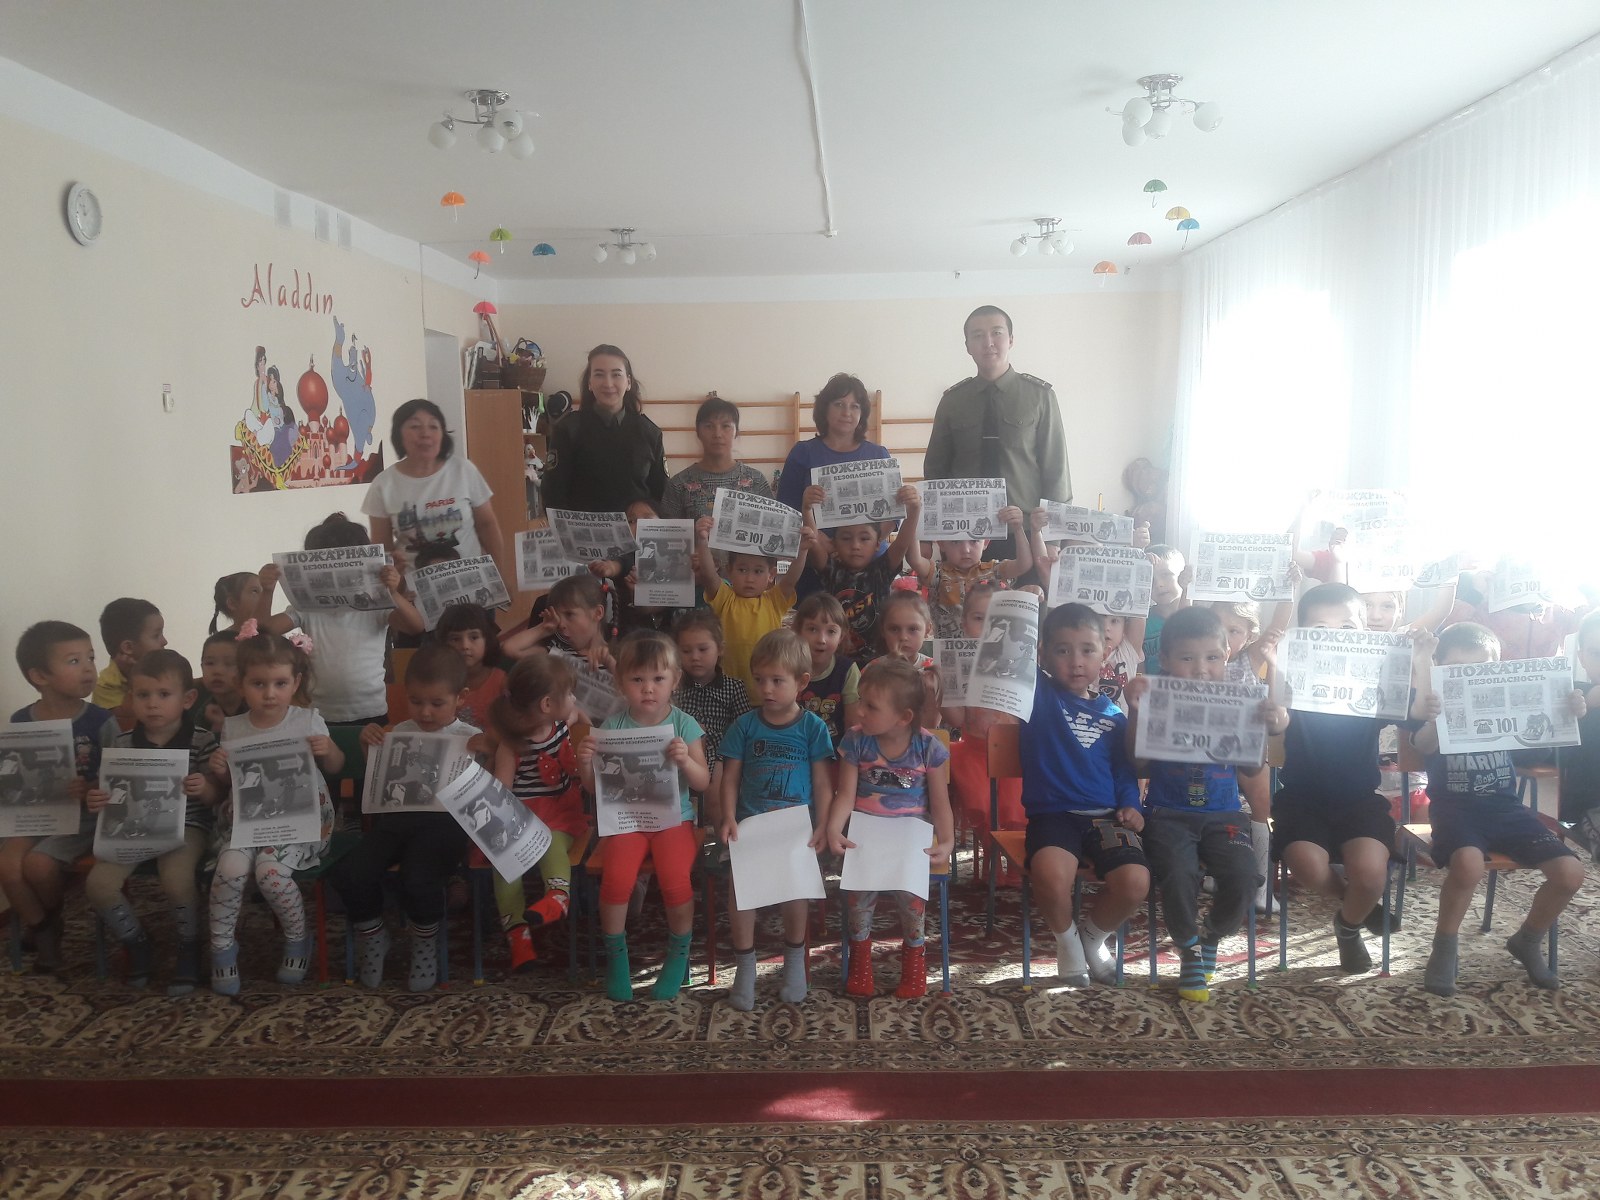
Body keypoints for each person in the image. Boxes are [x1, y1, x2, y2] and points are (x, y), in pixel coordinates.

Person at [1410, 623, 1586, 995]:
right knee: (1468, 863)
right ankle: (1444, 945)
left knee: (1570, 872)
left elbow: (1539, 745)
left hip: (1505, 809)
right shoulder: (1429, 706)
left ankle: (1527, 940)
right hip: (1454, 809)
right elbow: (1423, 745)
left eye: (1479, 669)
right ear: (1440, 668)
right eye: (1456, 669)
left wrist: (1567, 712)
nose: (1468, 677)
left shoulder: (1505, 702)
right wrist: (1436, 715)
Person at [1122, 608, 1288, 1003]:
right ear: (1165, 659)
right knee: (1178, 874)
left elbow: (1251, 768)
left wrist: (1262, 729)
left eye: (1212, 657)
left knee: (1246, 876)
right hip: (1167, 814)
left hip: (1224, 814)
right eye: (1187, 658)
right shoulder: (1155, 698)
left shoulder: (1240, 701)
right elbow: (1138, 764)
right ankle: (1189, 948)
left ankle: (1212, 934)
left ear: (1227, 655)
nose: (1201, 669)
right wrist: (1136, 711)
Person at [1273, 583, 1431, 976]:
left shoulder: (1374, 686)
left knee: (1372, 875)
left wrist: (1422, 661)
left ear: (1364, 633)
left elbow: (1417, 715)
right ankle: (1359, 906)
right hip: (1301, 800)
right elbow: (1275, 722)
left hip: (1359, 800)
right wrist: (1276, 664)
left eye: (1346, 628)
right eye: (1320, 630)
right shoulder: (1292, 683)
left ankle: (1348, 925)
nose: (1335, 638)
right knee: (1307, 865)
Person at [1018, 602, 1149, 987]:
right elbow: (1013, 651)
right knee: (1049, 874)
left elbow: (1124, 770)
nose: (1076, 661)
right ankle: (1068, 943)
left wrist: (1131, 804)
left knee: (1135, 882)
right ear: (1043, 654)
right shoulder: (1038, 697)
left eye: (1087, 650)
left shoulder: (1115, 715)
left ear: (1105, 653)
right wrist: (1028, 602)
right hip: (1054, 816)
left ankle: (1092, 938)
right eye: (1063, 650)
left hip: (1108, 816)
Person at [578, 631, 710, 1002]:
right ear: (621, 683)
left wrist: (686, 761)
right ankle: (616, 956)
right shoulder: (613, 727)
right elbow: (594, 789)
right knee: (617, 879)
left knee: (675, 879)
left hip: (674, 820)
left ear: (675, 680)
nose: (648, 688)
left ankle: (678, 953)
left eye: (658, 678)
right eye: (637, 679)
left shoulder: (684, 724)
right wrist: (585, 763)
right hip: (627, 820)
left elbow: (703, 781)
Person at [337, 646, 478, 991]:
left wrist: (487, 752)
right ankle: (373, 934)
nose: (425, 712)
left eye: (436, 703)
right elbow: (381, 779)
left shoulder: (470, 738)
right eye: (416, 701)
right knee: (351, 871)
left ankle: (424, 942)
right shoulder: (400, 730)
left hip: (444, 827)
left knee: (418, 878)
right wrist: (368, 746)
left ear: (460, 698)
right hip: (396, 821)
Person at [207, 632, 340, 995]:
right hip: (248, 821)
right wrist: (219, 769)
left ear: (295, 682)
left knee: (270, 873)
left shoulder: (307, 720)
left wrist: (328, 750)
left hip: (299, 823)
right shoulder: (234, 727)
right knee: (230, 869)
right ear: (241, 684)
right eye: (258, 684)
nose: (269, 693)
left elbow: (336, 766)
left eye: (280, 683)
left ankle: (298, 939)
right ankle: (222, 948)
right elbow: (230, 783)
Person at [85, 650, 221, 994]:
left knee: (176, 877)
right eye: (143, 695)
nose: (152, 704)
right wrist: (97, 799)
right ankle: (137, 942)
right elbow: (109, 792)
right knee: (98, 884)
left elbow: (216, 797)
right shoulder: (121, 743)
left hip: (187, 826)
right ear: (131, 698)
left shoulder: (201, 740)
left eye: (163, 694)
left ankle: (189, 944)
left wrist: (204, 787)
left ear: (187, 699)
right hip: (131, 828)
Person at [717, 630, 833, 1011]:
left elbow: (822, 781)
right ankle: (745, 966)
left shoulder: (812, 728)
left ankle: (795, 962)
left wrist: (823, 824)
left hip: (796, 831)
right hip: (750, 828)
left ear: (801, 682)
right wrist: (728, 816)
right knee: (740, 892)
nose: (766, 688)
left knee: (795, 892)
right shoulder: (745, 726)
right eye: (760, 679)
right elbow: (730, 778)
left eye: (777, 680)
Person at [826, 658, 954, 999]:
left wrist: (947, 841)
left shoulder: (928, 747)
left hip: (910, 838)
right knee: (858, 901)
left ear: (903, 717)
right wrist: (835, 828)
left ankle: (914, 961)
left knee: (912, 902)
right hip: (866, 836)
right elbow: (845, 795)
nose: (859, 711)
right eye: (861, 701)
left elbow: (940, 803)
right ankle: (860, 961)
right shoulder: (856, 741)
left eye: (871, 706)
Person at [1, 622, 115, 972]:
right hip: (36, 814)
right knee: (8, 866)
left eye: (90, 658)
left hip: (83, 817)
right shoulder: (22, 720)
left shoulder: (100, 721)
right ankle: (44, 926)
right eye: (73, 661)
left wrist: (91, 786)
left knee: (37, 865)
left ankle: (48, 922)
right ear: (40, 676)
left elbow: (117, 779)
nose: (88, 669)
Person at [924, 306, 1071, 558]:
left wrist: (1053, 538)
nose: (988, 342)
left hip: (1025, 532)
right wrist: (928, 535)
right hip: (965, 537)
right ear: (968, 346)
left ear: (1011, 339)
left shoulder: (1040, 397)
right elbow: (935, 472)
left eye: (996, 333)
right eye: (978, 335)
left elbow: (1056, 470)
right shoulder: (953, 401)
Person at [256, 513, 425, 726]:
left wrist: (393, 593)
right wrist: (267, 591)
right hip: (320, 713)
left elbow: (415, 626)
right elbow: (262, 631)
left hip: (371, 710)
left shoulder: (375, 604)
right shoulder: (307, 608)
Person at [489, 654, 585, 973]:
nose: (574, 699)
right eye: (569, 694)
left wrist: (583, 720)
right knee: (505, 863)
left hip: (560, 812)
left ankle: (558, 897)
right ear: (546, 704)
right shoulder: (511, 744)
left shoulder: (561, 724)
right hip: (521, 816)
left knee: (551, 843)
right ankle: (518, 934)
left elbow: (579, 716)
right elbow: (502, 791)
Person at [362, 398, 508, 582]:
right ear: (399, 434)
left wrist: (500, 577)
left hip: (472, 585)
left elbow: (487, 525)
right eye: (415, 427)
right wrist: (396, 587)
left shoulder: (463, 470)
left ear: (442, 434)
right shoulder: (383, 484)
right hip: (415, 590)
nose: (425, 434)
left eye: (433, 426)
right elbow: (382, 549)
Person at [693, 515, 815, 698]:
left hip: (766, 693)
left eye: (758, 571)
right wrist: (702, 541)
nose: (749, 578)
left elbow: (791, 580)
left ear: (771, 575)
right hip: (727, 693)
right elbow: (709, 576)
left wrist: (803, 550)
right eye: (742, 570)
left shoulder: (773, 601)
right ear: (729, 571)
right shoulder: (725, 598)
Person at [799, 484, 923, 666]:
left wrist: (914, 510)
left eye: (864, 538)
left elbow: (903, 543)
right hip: (839, 663)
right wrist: (807, 509)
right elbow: (813, 541)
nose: (855, 545)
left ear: (877, 544)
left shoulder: (882, 570)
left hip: (880, 662)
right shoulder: (831, 570)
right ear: (833, 544)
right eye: (846, 538)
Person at [542, 345, 667, 513]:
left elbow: (661, 495)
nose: (608, 383)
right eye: (599, 375)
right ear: (589, 383)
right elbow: (553, 493)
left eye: (616, 374)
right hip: (582, 528)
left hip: (635, 528)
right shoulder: (568, 430)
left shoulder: (650, 432)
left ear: (628, 382)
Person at [907, 504, 1034, 640]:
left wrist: (1018, 528)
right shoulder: (937, 573)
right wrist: (913, 517)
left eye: (974, 541)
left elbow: (1024, 564)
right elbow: (914, 560)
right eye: (956, 542)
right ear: (941, 544)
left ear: (985, 542)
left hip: (988, 647)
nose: (966, 550)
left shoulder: (994, 570)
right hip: (947, 650)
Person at [775, 374, 891, 512]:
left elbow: (892, 515)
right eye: (839, 404)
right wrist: (807, 507)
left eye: (854, 406)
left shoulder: (879, 455)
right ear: (825, 409)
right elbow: (785, 511)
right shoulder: (802, 453)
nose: (846, 413)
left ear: (862, 413)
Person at [660, 395, 775, 521]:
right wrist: (694, 530)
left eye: (725, 426)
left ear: (736, 432)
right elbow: (668, 531)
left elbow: (772, 525)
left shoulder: (756, 481)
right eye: (709, 426)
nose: (717, 434)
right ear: (698, 432)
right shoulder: (679, 484)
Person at [671, 611, 749, 776]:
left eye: (703, 649)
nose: (695, 657)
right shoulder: (673, 687)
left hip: (722, 762)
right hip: (681, 761)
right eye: (686, 651)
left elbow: (744, 732)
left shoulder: (734, 687)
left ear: (720, 648)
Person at [794, 592, 860, 752]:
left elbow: (852, 725)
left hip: (834, 749)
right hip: (794, 747)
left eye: (831, 631)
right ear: (798, 631)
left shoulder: (847, 670)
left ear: (841, 636)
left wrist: (846, 759)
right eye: (812, 629)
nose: (821, 639)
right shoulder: (789, 665)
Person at [871, 590, 943, 731]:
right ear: (883, 630)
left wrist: (930, 691)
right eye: (894, 629)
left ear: (927, 629)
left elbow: (931, 726)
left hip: (923, 741)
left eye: (913, 629)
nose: (903, 637)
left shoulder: (934, 670)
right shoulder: (872, 670)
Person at [434, 603, 508, 733]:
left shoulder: (502, 682)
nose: (465, 646)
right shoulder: (437, 681)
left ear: (487, 640)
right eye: (455, 639)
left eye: (474, 637)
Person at [1560, 610, 1600, 849]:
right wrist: (1582, 706)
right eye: (1597, 654)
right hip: (1590, 806)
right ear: (1582, 657)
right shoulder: (1571, 696)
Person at [91, 598, 168, 716]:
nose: (164, 641)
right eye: (156, 635)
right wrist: (137, 677)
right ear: (128, 647)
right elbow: (134, 718)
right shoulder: (105, 687)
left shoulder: (166, 666)